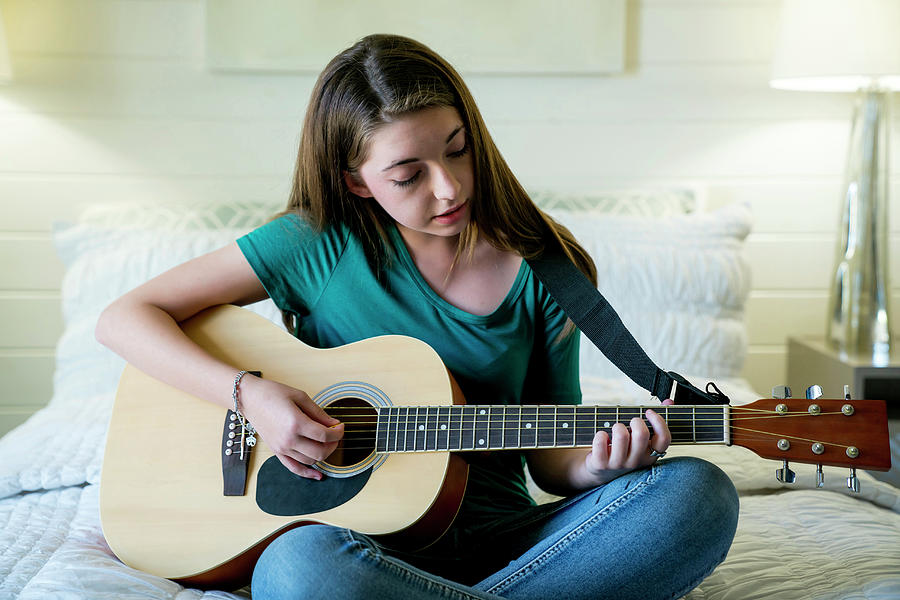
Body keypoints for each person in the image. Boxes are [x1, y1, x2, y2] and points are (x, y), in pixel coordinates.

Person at [95, 33, 738, 600]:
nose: (450, 187)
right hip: (358, 543)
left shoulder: (549, 266)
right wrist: (249, 396)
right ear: (357, 182)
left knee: (696, 496)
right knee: (296, 569)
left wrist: (599, 466)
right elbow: (126, 317)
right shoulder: (314, 244)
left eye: (457, 150)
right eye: (409, 175)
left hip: (508, 540)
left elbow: (549, 460)